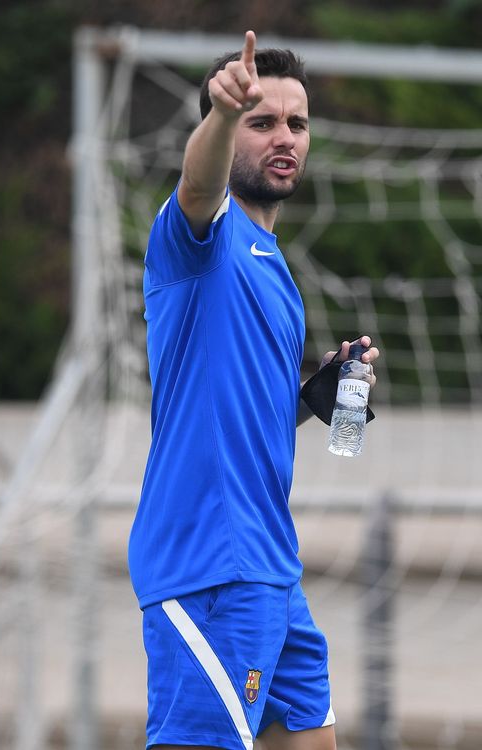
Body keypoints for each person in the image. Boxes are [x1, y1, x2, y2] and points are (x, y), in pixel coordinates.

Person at [128, 29, 380, 750]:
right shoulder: (198, 237)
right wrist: (221, 113)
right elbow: (197, 184)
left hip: (271, 566)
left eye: (297, 123)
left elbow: (240, 415)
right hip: (209, 564)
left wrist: (316, 399)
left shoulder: (274, 267)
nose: (284, 137)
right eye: (261, 121)